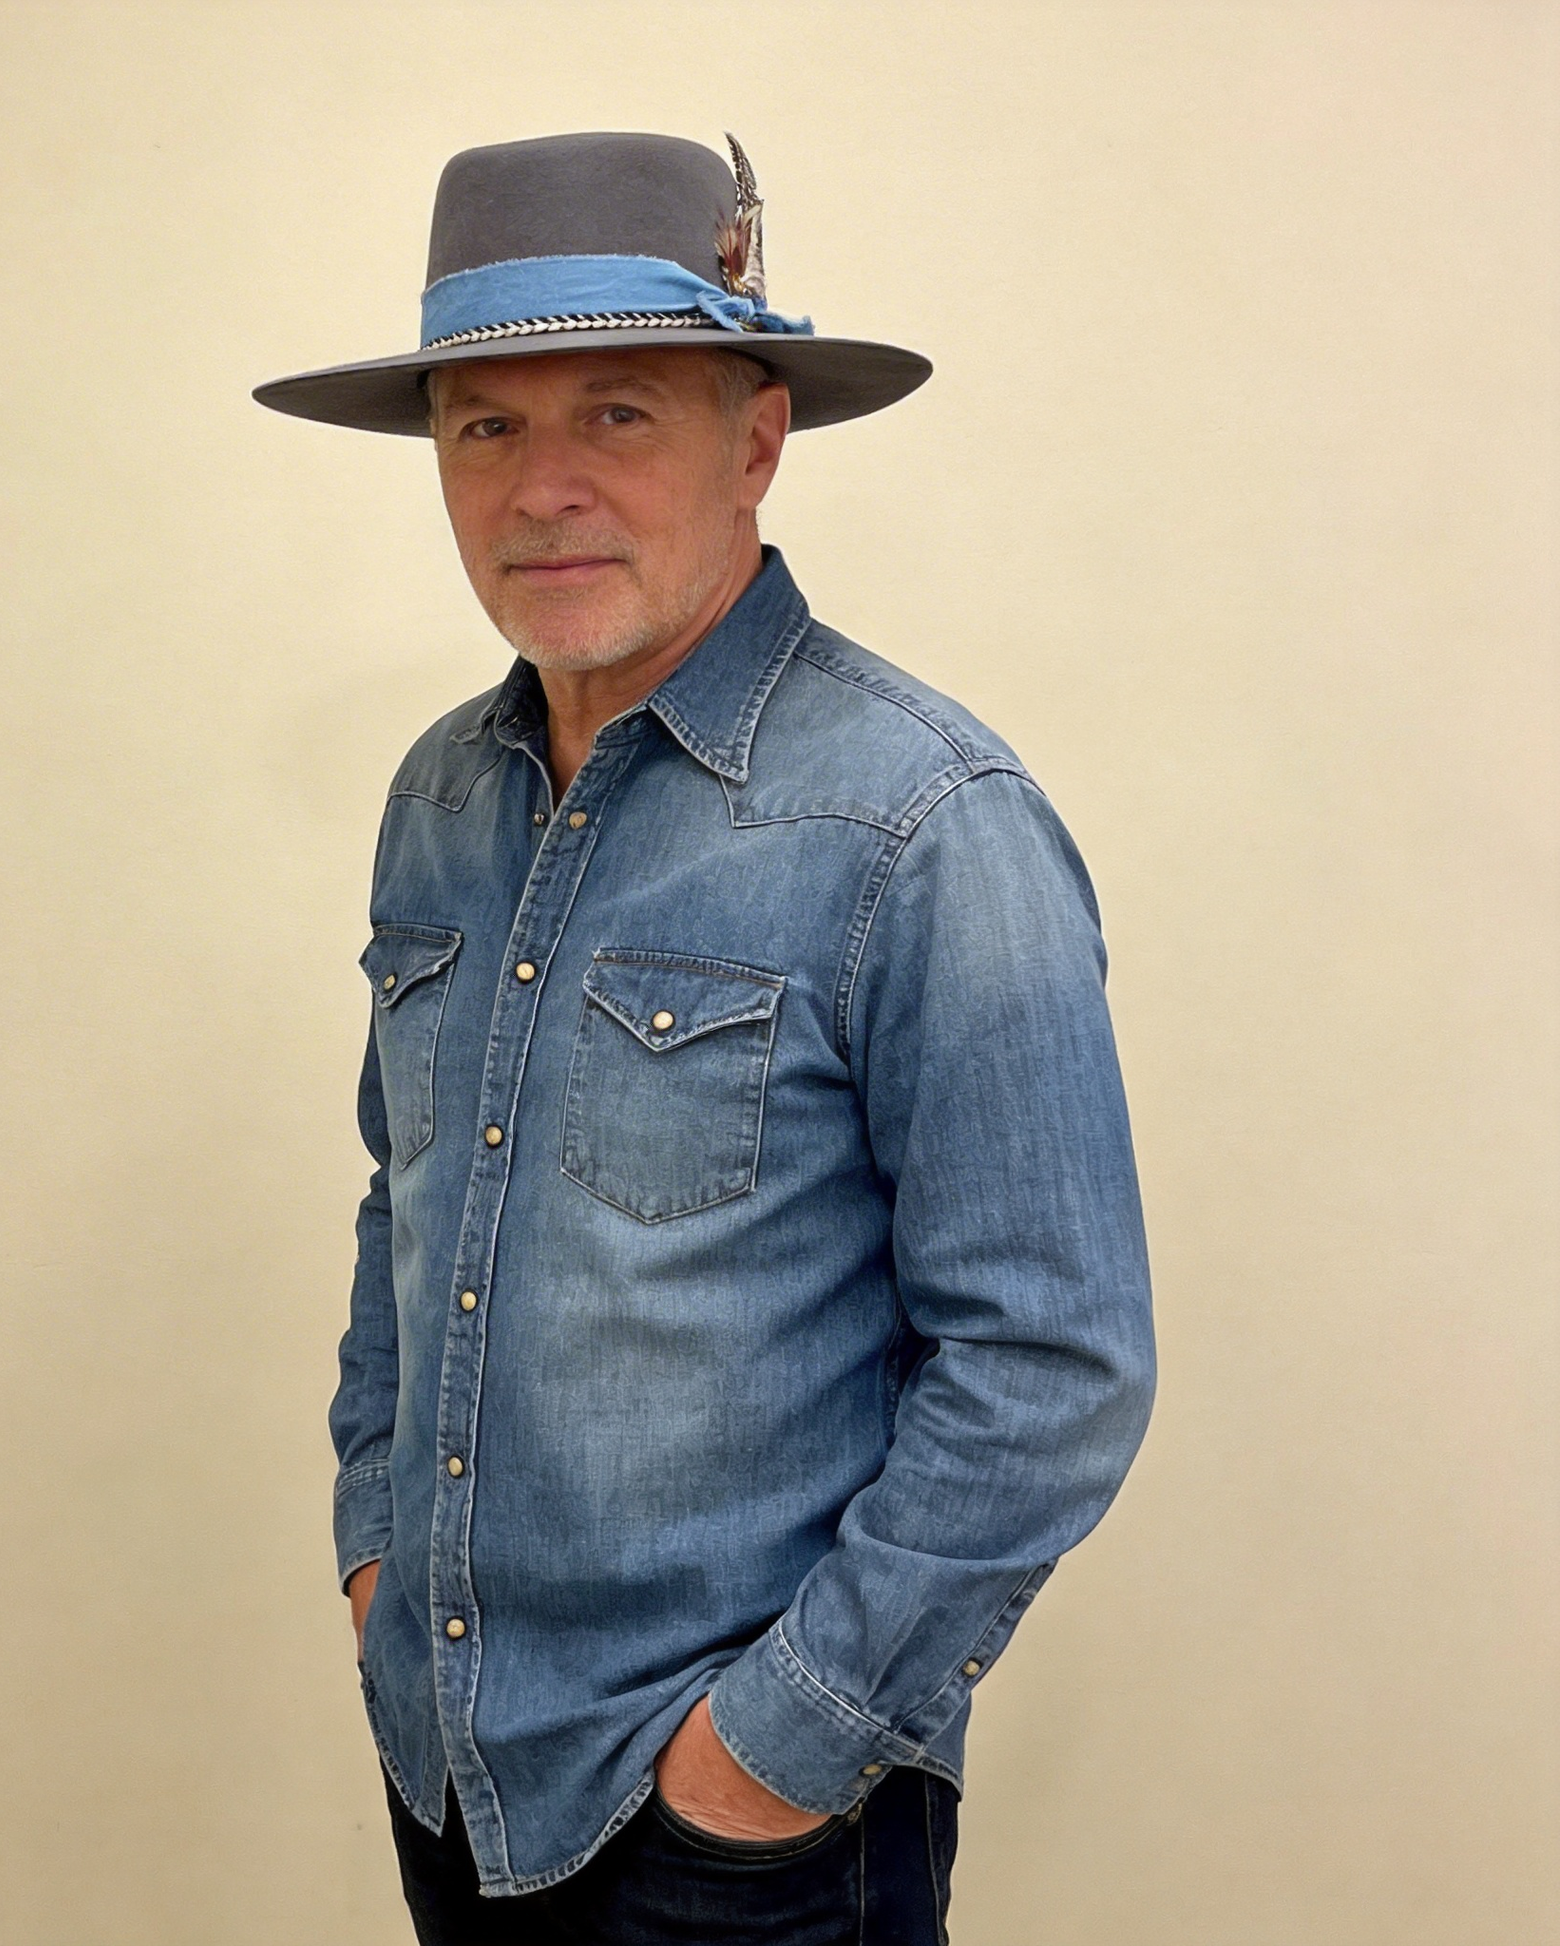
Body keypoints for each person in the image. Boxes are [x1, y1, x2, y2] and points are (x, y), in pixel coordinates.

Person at [254, 130, 1156, 1946]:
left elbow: (1050, 1362)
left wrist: (765, 1757)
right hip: (448, 1769)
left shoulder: (925, 820)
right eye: (484, 427)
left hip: (743, 1849)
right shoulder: (440, 795)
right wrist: (374, 1562)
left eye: (619, 413)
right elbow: (403, 1206)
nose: (542, 489)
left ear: (756, 442)